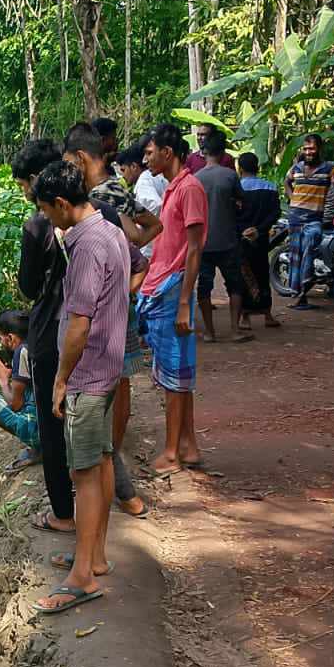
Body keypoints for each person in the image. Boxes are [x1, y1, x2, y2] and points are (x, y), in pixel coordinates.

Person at [30, 160, 131, 613]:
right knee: (102, 461)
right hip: (108, 367)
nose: (45, 219)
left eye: (46, 210)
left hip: (87, 375)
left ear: (61, 203)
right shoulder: (110, 230)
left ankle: (82, 577)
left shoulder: (88, 244)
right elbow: (132, 274)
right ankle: (95, 556)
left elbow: (79, 322)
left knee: (83, 474)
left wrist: (61, 378)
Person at [64, 123, 151, 516]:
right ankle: (120, 483)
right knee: (118, 389)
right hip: (114, 321)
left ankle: (118, 489)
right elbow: (142, 239)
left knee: (94, 440)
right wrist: (124, 290)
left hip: (96, 340)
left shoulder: (97, 209)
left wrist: (116, 292)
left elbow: (79, 320)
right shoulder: (114, 199)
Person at [12, 139, 81, 535]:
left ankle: (63, 513)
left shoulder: (38, 225)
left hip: (51, 331)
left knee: (52, 424)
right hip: (89, 329)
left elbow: (28, 286)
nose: (25, 192)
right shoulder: (94, 214)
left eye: (25, 184)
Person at [137, 123, 207, 473]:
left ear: (167, 152)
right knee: (176, 373)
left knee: (174, 376)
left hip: (173, 289)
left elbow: (194, 249)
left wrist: (183, 302)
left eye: (150, 152)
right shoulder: (173, 188)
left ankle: (170, 453)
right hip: (163, 286)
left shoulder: (189, 189)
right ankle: (188, 446)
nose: (146, 159)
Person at [193, 130, 253, 343]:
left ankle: (209, 332)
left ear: (204, 152)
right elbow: (242, 201)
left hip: (203, 242)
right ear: (222, 152)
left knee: (204, 287)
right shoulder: (230, 176)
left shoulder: (196, 179)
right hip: (227, 240)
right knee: (235, 285)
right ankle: (235, 329)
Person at [64, 122, 161, 248]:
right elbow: (155, 225)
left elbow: (147, 230)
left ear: (80, 157)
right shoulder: (115, 189)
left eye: (69, 164)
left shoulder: (100, 197)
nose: (66, 171)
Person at [284, 134, 334, 309]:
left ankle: (302, 293)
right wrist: (292, 198)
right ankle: (299, 296)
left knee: (309, 252)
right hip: (295, 219)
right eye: (305, 149)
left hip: (314, 220)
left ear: (319, 149)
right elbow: (286, 182)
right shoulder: (296, 167)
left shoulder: (329, 169)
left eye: (311, 148)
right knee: (295, 257)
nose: (308, 152)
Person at [0, 309, 40, 467]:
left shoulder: (21, 352)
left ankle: (38, 446)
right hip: (56, 425)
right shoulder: (38, 343)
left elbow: (15, 404)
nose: (1, 343)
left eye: (0, 338)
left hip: (39, 429)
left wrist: (3, 380)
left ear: (10, 337)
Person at [236, 152, 281, 330]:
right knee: (262, 273)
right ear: (258, 167)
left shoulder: (235, 188)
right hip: (261, 239)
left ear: (240, 168)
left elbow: (231, 214)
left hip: (241, 239)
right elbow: (275, 213)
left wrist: (243, 230)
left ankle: (245, 317)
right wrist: (259, 229)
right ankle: (267, 314)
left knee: (245, 275)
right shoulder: (270, 187)